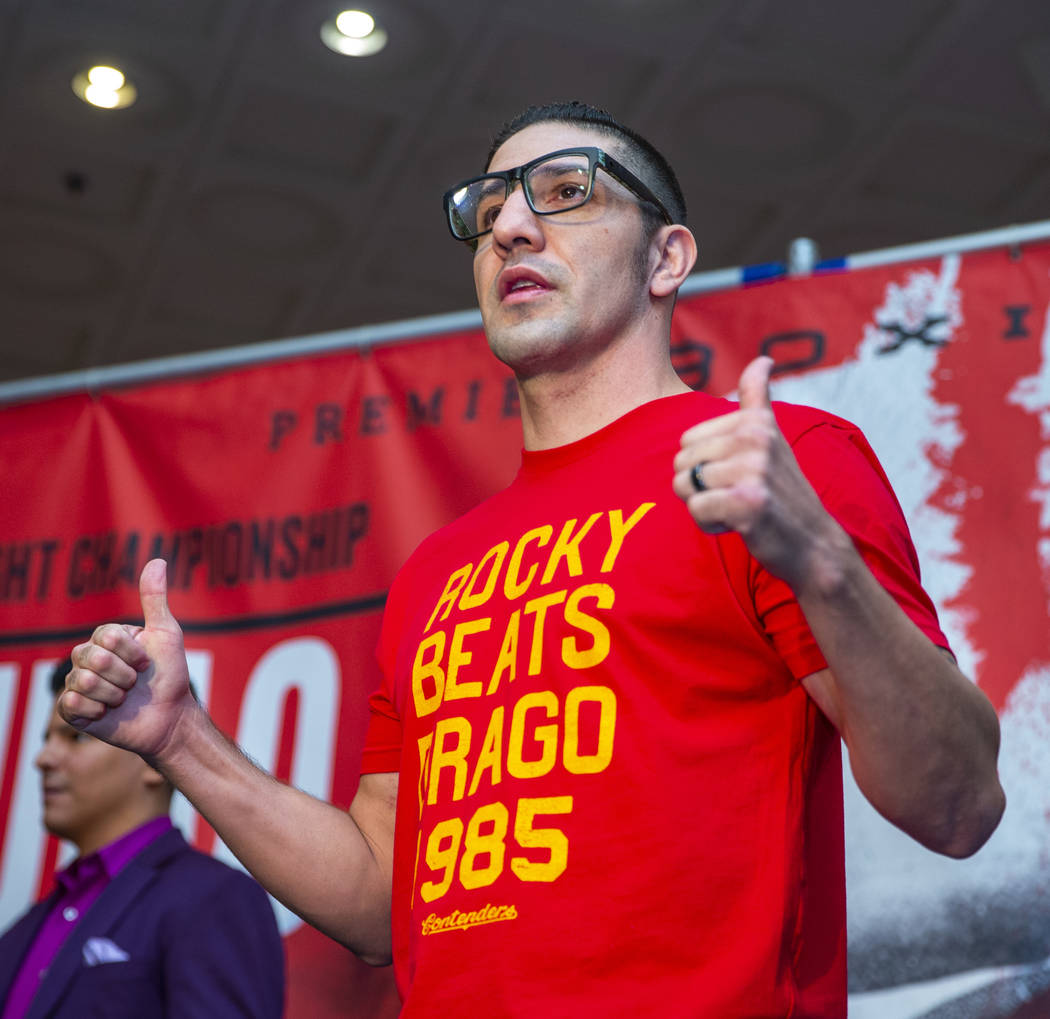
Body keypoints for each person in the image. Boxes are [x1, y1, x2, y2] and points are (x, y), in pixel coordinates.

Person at [57, 100, 1005, 1017]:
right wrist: (183, 739)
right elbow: (385, 898)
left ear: (665, 257)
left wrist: (824, 565)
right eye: (489, 206)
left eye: (564, 190)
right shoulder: (437, 569)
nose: (509, 224)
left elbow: (956, 806)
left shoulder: (769, 466)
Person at [0, 659, 285, 1018]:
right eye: (47, 739)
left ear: (155, 760)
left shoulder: (214, 899)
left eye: (77, 736)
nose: (43, 758)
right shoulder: (24, 929)